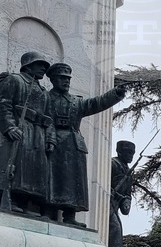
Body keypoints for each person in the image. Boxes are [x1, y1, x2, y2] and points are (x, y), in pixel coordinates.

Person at [43, 62, 126, 225]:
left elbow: (97, 103)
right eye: (62, 78)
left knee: (73, 181)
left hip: (73, 145)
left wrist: (116, 93)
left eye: (68, 79)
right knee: (50, 177)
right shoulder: (45, 97)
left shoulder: (76, 102)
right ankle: (46, 210)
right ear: (53, 79)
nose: (66, 81)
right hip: (53, 142)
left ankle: (70, 215)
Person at [0, 51, 54, 217]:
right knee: (17, 165)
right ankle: (12, 200)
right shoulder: (14, 80)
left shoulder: (44, 92)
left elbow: (49, 118)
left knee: (33, 169)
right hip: (20, 127)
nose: (43, 69)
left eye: (44, 66)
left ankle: (25, 203)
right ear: (28, 65)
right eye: (40, 65)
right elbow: (4, 104)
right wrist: (9, 127)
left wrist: (49, 138)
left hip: (38, 133)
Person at [108, 140, 135, 247]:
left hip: (115, 205)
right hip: (107, 203)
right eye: (128, 152)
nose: (131, 156)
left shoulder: (129, 172)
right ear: (119, 152)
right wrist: (111, 192)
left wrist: (126, 203)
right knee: (115, 228)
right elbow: (102, 183)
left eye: (132, 153)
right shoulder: (112, 164)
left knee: (117, 229)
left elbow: (128, 194)